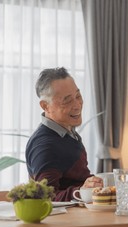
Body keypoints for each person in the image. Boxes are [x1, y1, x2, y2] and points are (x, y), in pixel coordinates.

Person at [26, 67, 102, 201]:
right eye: (67, 101)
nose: (77, 105)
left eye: (78, 96)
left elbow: (75, 180)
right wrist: (81, 191)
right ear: (45, 106)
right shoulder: (45, 145)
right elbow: (45, 198)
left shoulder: (67, 133)